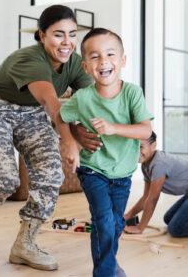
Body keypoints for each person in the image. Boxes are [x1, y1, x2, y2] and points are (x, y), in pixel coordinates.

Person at [0, 4, 94, 271]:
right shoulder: (29, 58)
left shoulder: (73, 63)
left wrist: (86, 129)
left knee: (51, 174)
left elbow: (90, 100)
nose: (67, 42)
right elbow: (51, 102)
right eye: (58, 34)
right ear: (42, 36)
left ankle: (25, 245)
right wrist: (70, 140)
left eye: (72, 34)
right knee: (5, 179)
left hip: (31, 115)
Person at [59, 28, 152, 277]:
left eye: (110, 54)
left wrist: (113, 128)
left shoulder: (133, 93)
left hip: (122, 173)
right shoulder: (82, 98)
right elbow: (59, 118)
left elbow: (145, 131)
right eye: (95, 56)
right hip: (93, 170)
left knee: (116, 223)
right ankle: (105, 272)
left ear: (122, 60)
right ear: (86, 67)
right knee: (103, 220)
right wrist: (72, 138)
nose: (103, 61)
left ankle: (108, 262)